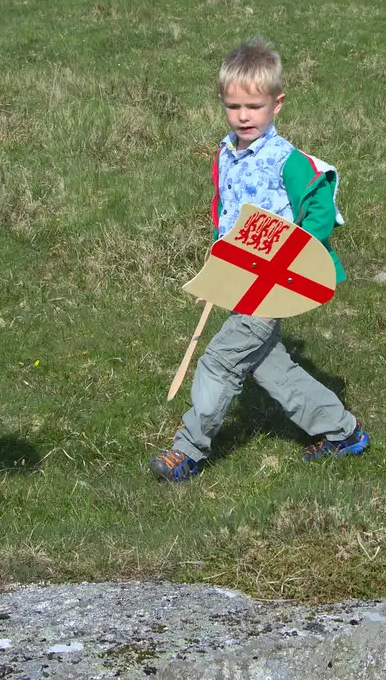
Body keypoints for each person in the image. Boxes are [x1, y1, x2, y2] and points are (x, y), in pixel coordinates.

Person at [148, 38, 368, 481]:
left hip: (272, 286)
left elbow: (320, 205)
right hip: (240, 281)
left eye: (253, 105)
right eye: (233, 106)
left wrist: (297, 252)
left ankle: (188, 449)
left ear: (277, 103)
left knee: (219, 360)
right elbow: (223, 214)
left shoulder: (286, 161)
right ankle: (342, 431)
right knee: (272, 368)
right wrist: (219, 272)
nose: (243, 116)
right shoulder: (225, 155)